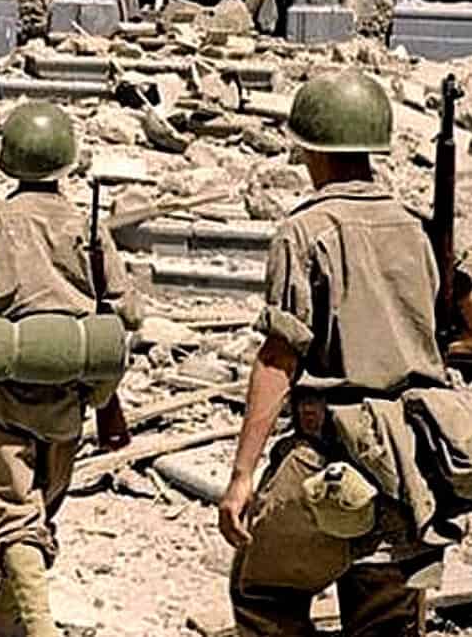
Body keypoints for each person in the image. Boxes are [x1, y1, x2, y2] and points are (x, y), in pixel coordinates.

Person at [216, 69, 463, 637]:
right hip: (416, 467)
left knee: (263, 591)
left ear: (308, 144)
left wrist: (242, 475)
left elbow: (280, 358)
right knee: (387, 620)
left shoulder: (305, 231)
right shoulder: (418, 231)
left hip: (332, 454)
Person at [0, 102, 141, 637]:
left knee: (16, 514)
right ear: (66, 161)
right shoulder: (87, 225)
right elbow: (129, 310)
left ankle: (39, 627)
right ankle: (6, 610)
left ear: (9, 161)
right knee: (39, 511)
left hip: (5, 395)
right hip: (70, 396)